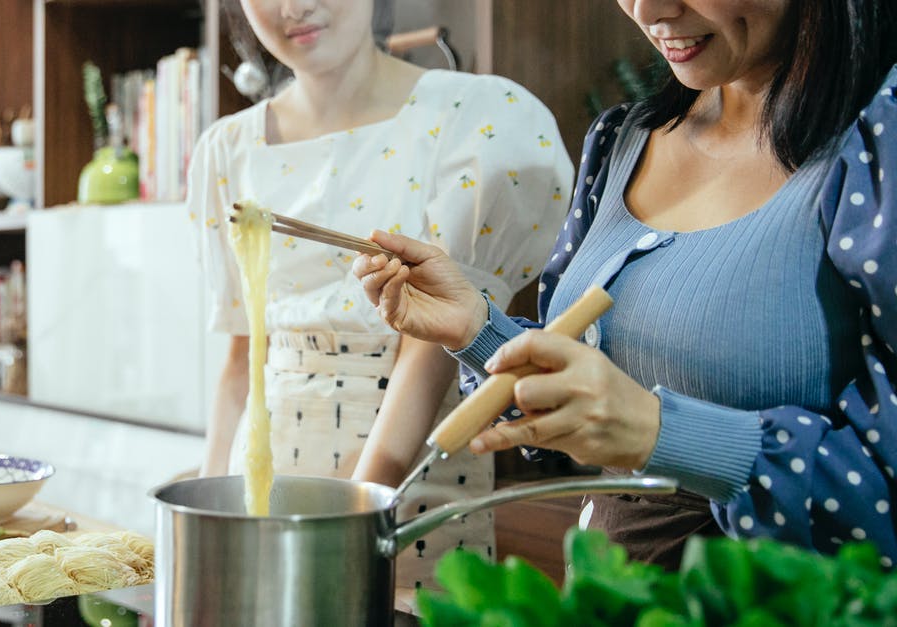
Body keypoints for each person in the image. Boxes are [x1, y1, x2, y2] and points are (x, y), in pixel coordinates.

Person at [354, 0, 897, 569]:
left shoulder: (877, 144)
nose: (649, 10)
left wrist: (662, 434)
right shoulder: (625, 139)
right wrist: (479, 331)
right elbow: (589, 401)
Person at [187, 0, 573, 587]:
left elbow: (430, 353)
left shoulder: (474, 118)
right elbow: (242, 362)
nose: (294, 8)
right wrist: (204, 525)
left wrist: (351, 525)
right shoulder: (227, 149)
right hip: (263, 492)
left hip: (407, 491)